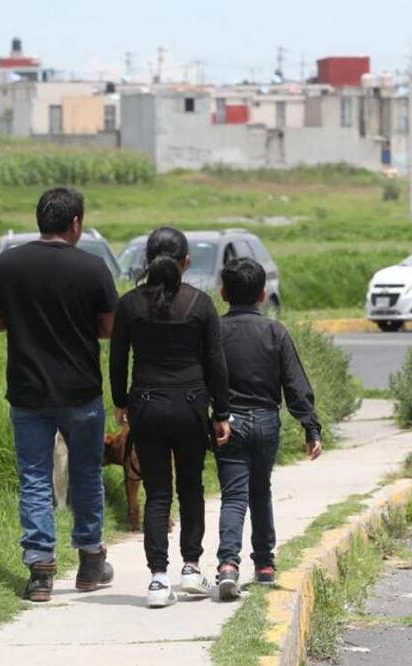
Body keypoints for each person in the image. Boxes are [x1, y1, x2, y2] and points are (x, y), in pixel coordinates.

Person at [0, 187, 117, 602]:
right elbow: (110, 328)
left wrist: (21, 322)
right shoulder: (92, 268)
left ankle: (40, 570)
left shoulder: (9, 263)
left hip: (28, 391)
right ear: (75, 224)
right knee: (86, 474)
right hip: (80, 392)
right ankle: (91, 562)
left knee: (35, 478)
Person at [109, 226, 231, 608]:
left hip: (146, 403)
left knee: (157, 491)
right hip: (191, 404)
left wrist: (121, 401)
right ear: (186, 262)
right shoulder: (200, 304)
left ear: (147, 260)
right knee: (191, 488)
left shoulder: (129, 304)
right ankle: (192, 569)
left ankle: (158, 580)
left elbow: (117, 359)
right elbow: (216, 362)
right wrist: (221, 412)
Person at [214, 258, 323, 600]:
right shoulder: (275, 332)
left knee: (234, 496)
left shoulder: (214, 331)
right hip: (265, 420)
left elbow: (203, 379)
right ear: (263, 294)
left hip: (228, 422)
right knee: (260, 492)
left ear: (223, 293)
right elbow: (295, 383)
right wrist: (311, 428)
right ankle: (264, 565)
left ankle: (228, 566)